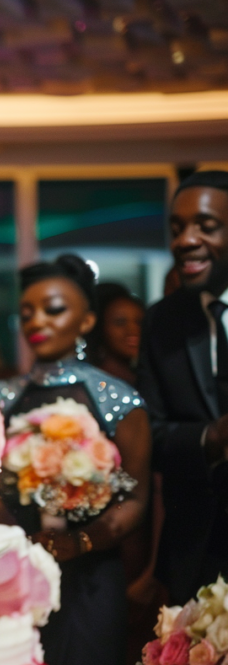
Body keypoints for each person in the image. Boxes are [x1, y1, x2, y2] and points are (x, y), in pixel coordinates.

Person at [0, 254, 150, 665]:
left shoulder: (117, 400)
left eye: (53, 309)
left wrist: (81, 542)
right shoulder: (1, 398)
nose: (36, 321)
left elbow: (134, 496)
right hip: (16, 572)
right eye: (27, 312)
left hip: (92, 576)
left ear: (86, 321)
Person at [137, 170, 228, 605]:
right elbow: (149, 436)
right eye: (176, 229)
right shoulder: (162, 321)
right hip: (197, 550)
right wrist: (211, 438)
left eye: (205, 226)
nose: (185, 240)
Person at [91, 283, 145, 385]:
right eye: (120, 322)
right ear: (100, 327)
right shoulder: (93, 382)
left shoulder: (147, 380)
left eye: (139, 322)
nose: (133, 330)